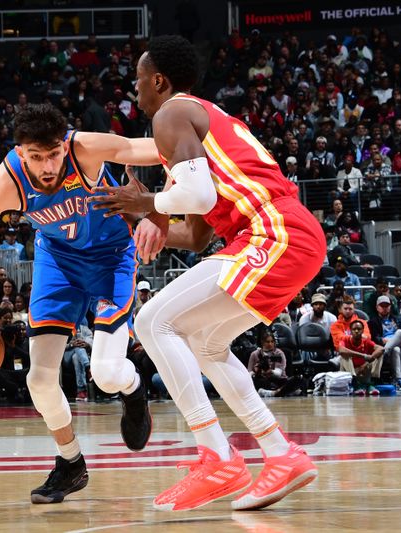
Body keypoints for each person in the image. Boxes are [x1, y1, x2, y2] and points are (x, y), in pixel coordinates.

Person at [88, 35, 325, 512]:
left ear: (158, 80)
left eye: (138, 78)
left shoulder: (171, 113)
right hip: (281, 234)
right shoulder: (196, 131)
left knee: (154, 321)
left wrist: (147, 202)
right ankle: (281, 455)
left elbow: (194, 198)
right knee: (206, 344)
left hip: (273, 230)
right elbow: (197, 234)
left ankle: (217, 455)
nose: (134, 88)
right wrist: (148, 220)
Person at [0, 103, 160, 505]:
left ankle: (133, 391)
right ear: (21, 152)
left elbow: (158, 147)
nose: (45, 166)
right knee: (38, 379)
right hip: (57, 261)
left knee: (107, 373)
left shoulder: (87, 149)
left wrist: (157, 210)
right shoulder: (6, 183)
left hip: (112, 257)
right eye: (35, 157)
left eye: (52, 155)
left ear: (64, 145)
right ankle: (70, 463)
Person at [367, 295, 401, 393]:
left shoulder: (399, 319)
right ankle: (400, 381)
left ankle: (384, 351)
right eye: (382, 306)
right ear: (377, 307)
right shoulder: (373, 321)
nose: (384, 308)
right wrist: (382, 340)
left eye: (386, 306)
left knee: (400, 332)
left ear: (390, 307)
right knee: (396, 349)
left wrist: (392, 341)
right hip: (390, 352)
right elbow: (373, 338)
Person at [338, 319, 384, 396]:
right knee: (344, 356)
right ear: (350, 331)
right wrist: (364, 356)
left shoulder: (366, 341)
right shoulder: (345, 339)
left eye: (358, 329)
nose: (356, 331)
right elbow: (341, 350)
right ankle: (354, 384)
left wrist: (366, 363)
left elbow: (381, 349)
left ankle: (371, 383)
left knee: (379, 354)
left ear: (362, 331)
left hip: (364, 369)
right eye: (354, 329)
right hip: (351, 371)